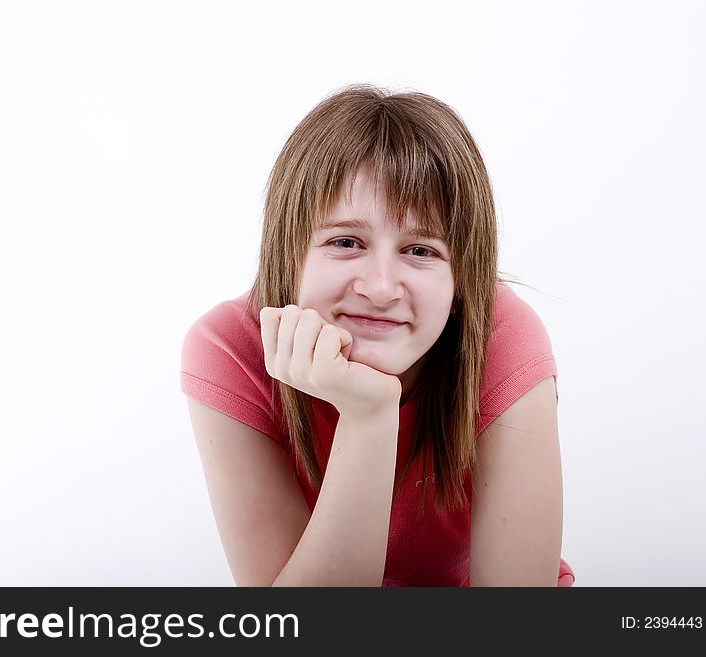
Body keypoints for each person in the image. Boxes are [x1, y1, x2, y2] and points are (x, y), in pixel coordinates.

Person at [180, 84, 574, 587]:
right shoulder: (229, 349)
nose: (382, 288)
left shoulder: (502, 335)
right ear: (289, 251)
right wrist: (367, 416)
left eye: (421, 250)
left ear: (463, 278)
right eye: (346, 242)